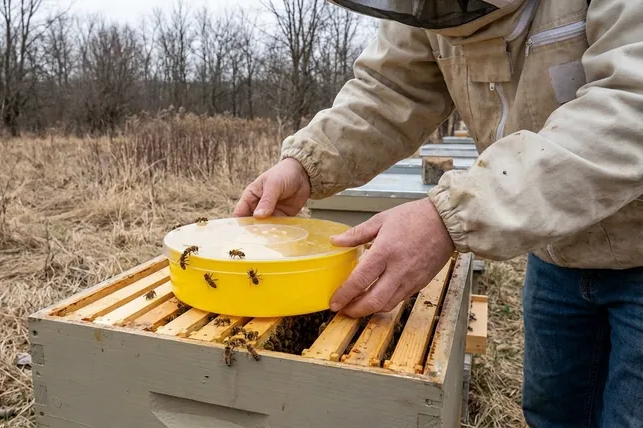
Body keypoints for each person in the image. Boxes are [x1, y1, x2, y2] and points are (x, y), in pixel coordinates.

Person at [233, 1, 643, 427]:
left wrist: (452, 215)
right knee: (553, 414)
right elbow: (390, 92)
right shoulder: (426, 9)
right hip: (557, 253)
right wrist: (306, 163)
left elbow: (631, 108)